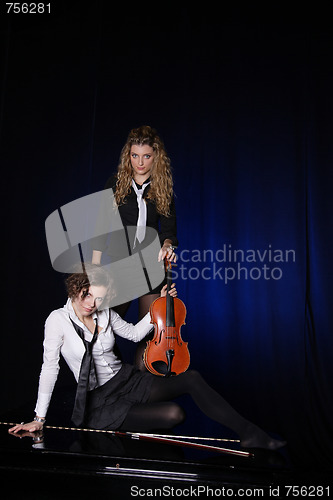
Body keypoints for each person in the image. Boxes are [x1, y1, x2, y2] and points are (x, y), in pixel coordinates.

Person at [9, 265, 285, 451]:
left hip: (127, 381)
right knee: (175, 414)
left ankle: (249, 433)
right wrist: (39, 418)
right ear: (75, 287)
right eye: (87, 294)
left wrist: (159, 304)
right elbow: (49, 369)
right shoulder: (57, 321)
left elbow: (133, 333)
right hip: (100, 402)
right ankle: (121, 433)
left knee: (192, 378)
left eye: (99, 299)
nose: (91, 304)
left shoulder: (104, 313)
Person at [92, 125, 178, 370]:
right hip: (121, 263)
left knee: (149, 332)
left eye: (147, 156)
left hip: (152, 265)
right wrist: (95, 269)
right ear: (128, 156)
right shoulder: (115, 183)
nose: (140, 162)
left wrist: (168, 244)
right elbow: (101, 227)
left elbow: (169, 229)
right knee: (104, 324)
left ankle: (141, 387)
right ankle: (116, 378)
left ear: (156, 156)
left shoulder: (162, 186)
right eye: (135, 155)